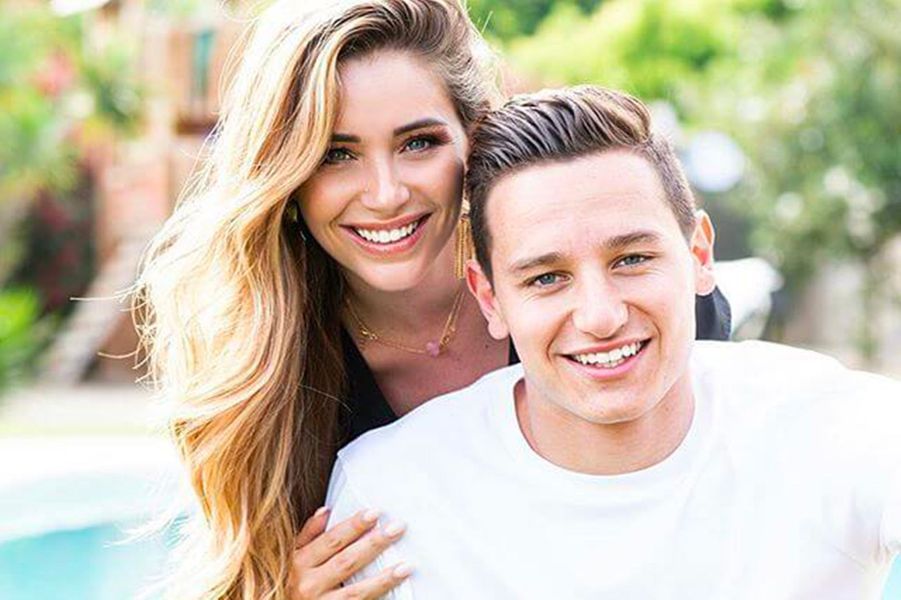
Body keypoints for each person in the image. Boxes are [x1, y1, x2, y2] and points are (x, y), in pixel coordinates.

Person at [134, 1, 730, 598]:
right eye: (336, 155)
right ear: (286, 175)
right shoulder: (258, 375)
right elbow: (229, 576)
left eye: (418, 143)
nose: (386, 194)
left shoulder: (637, 313)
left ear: (473, 140)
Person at [325, 86, 901, 598]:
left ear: (699, 255)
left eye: (632, 259)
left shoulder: (837, 426)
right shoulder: (388, 495)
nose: (600, 317)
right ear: (490, 297)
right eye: (546, 278)